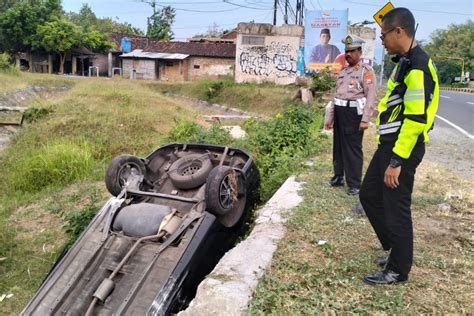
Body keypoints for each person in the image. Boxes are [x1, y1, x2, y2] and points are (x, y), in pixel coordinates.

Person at [359, 7, 439, 285]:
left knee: (396, 208)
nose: (382, 41)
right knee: (369, 195)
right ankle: (395, 250)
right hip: (390, 144)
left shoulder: (418, 65)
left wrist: (397, 161)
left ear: (399, 32)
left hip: (403, 148)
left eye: (384, 35)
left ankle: (398, 269)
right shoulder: (404, 62)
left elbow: (416, 119)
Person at [324, 35, 377, 195]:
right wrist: (330, 118)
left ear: (360, 52)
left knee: (353, 149)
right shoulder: (343, 72)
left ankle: (354, 184)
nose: (348, 54)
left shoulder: (366, 72)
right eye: (347, 51)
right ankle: (338, 176)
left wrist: (365, 119)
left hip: (354, 114)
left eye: (352, 51)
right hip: (340, 112)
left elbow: (371, 96)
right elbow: (336, 96)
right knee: (338, 147)